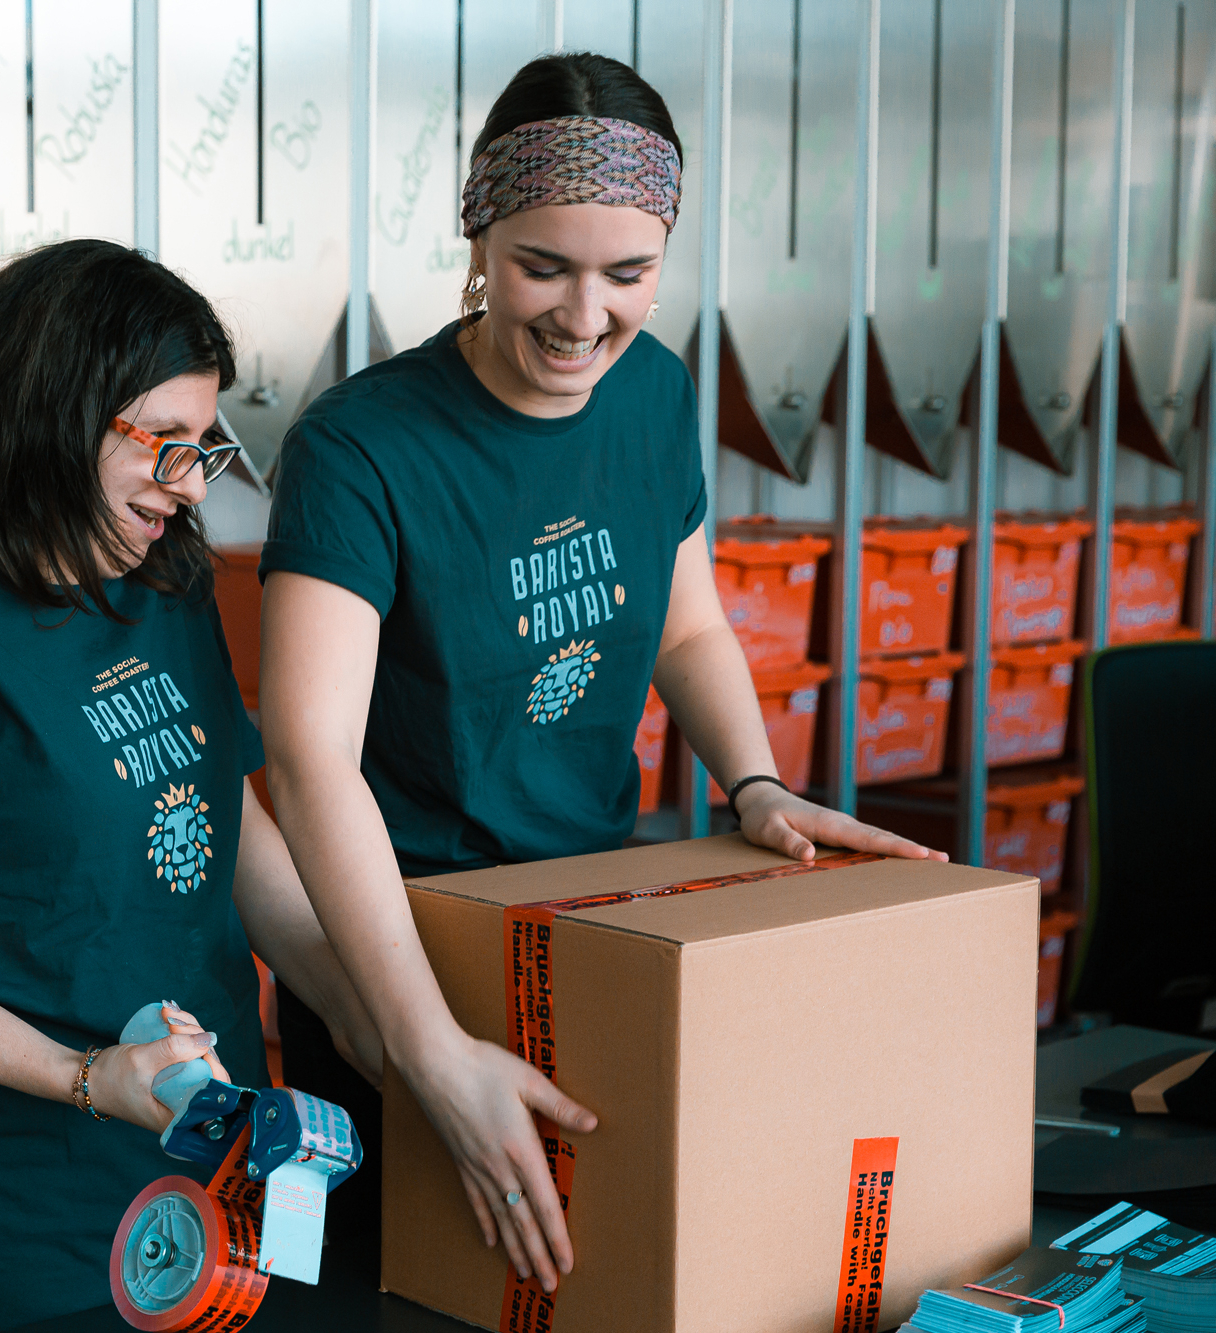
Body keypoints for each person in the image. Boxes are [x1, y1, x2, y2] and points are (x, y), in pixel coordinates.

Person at [257, 53, 946, 1297]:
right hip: (409, 951)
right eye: (543, 268)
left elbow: (685, 628)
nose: (585, 317)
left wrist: (753, 785)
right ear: (479, 238)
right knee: (413, 1290)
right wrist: (422, 1048)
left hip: (596, 924)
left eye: (627, 275)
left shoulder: (654, 391)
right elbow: (307, 764)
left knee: (593, 1282)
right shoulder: (358, 446)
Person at [0, 239, 380, 1330]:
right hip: (39, 1236)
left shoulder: (162, 582)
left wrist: (368, 1011)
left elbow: (229, 815)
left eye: (201, 447)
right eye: (162, 444)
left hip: (228, 1196)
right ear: (50, 417)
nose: (185, 484)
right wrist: (87, 1077)